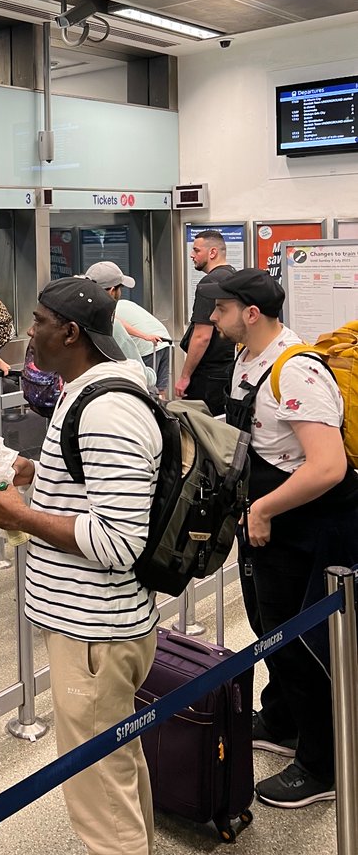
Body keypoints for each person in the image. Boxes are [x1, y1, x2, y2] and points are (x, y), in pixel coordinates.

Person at [0, 278, 161, 855]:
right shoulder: (89, 392)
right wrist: (38, 473)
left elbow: (117, 540)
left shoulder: (106, 407)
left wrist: (21, 516)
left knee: (99, 794)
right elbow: (97, 489)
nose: (28, 332)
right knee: (116, 770)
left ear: (71, 332)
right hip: (97, 627)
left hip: (94, 631)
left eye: (37, 321)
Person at [203, 268, 358, 809]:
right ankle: (286, 719)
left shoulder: (296, 372)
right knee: (271, 626)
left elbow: (329, 466)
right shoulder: (248, 360)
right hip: (271, 525)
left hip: (314, 527)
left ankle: (325, 765)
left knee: (307, 643)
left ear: (250, 312)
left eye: (219, 310)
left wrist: (264, 509)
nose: (212, 319)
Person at [85, 261, 172, 396]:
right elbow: (142, 375)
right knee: (155, 390)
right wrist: (151, 375)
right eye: (120, 288)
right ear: (113, 290)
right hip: (113, 396)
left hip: (88, 393)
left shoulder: (78, 318)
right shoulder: (112, 323)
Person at [174, 229, 235, 412]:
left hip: (208, 376)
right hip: (229, 369)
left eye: (197, 250)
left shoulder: (210, 284)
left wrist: (185, 377)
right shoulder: (234, 277)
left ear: (213, 252)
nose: (192, 255)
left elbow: (202, 336)